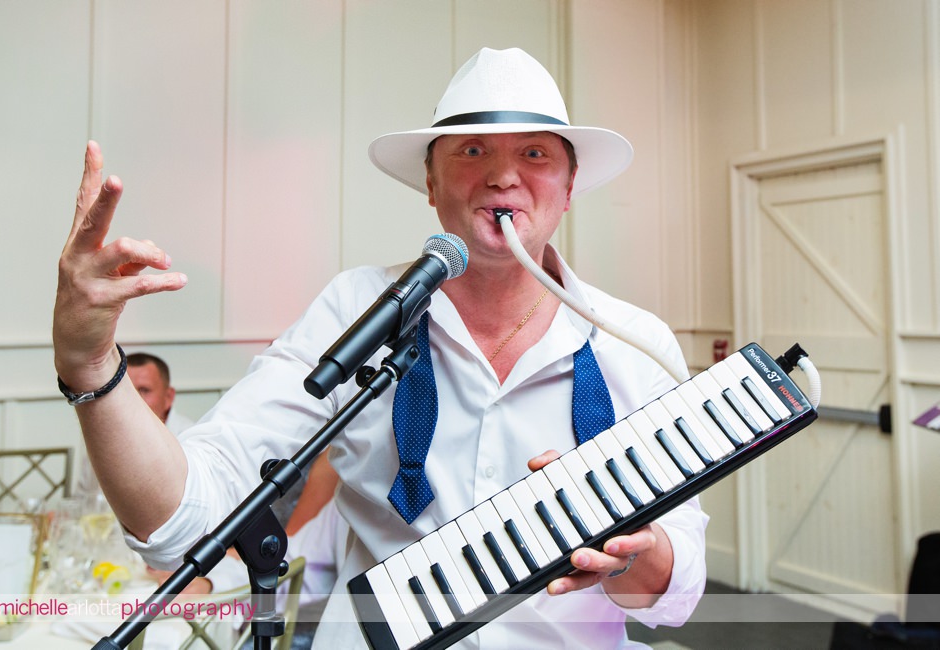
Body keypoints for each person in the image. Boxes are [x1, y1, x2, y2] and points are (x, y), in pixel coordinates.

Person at [53, 47, 708, 648]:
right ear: (430, 184)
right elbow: (180, 523)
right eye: (471, 151)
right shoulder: (355, 311)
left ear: (568, 189)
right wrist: (90, 364)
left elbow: (673, 596)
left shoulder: (635, 344)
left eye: (535, 154)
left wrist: (635, 554)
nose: (502, 176)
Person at [75, 352, 194, 496]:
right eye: (126, 390)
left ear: (168, 397)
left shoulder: (189, 442)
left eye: (144, 390)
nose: (134, 399)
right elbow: (82, 502)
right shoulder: (102, 437)